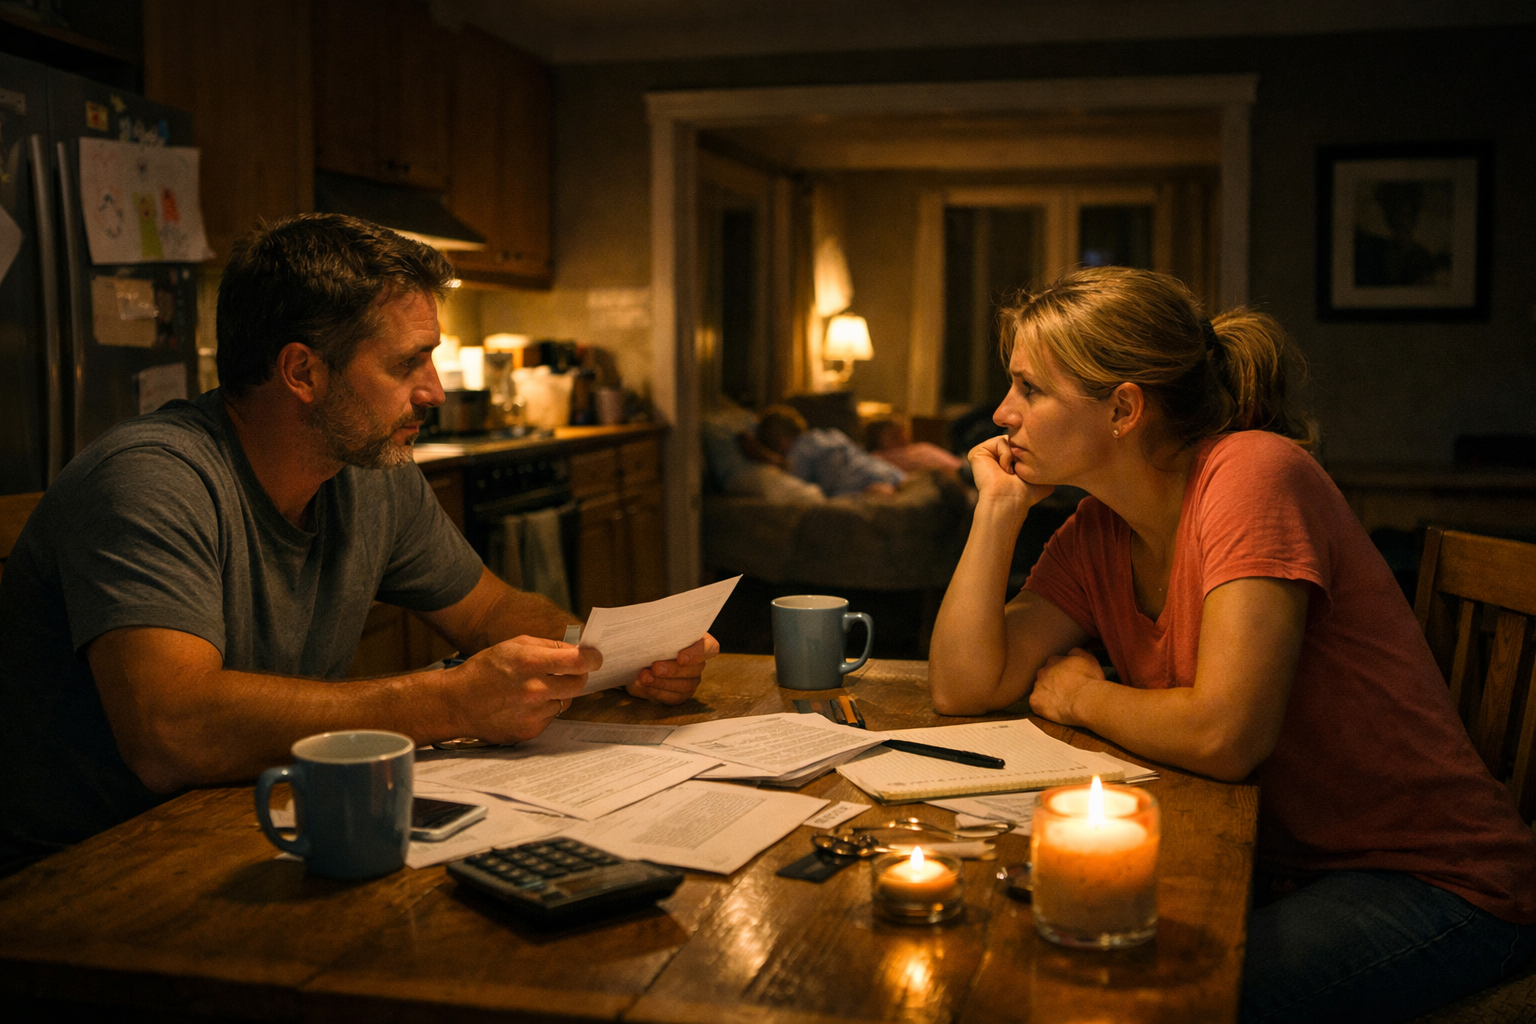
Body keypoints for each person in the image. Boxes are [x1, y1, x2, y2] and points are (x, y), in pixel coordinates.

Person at [0, 214, 717, 877]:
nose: (434, 391)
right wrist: (452, 701)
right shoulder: (152, 479)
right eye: (409, 364)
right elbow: (170, 730)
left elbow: (490, 613)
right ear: (303, 372)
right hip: (89, 871)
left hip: (253, 823)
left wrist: (614, 655)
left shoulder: (367, 471)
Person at [927, 266, 1536, 1023]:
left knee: (1142, 1006)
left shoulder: (1252, 475)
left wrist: (1082, 694)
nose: (1001, 412)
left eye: (1029, 388)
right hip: (1275, 864)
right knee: (1026, 962)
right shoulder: (1099, 530)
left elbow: (1226, 735)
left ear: (1122, 409)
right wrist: (997, 511)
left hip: (1435, 881)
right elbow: (962, 684)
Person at [739, 405, 905, 497]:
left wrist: (763, 456)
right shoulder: (829, 433)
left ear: (782, 442)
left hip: (857, 485)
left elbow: (793, 479)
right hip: (885, 470)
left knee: (877, 494)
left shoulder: (798, 452)